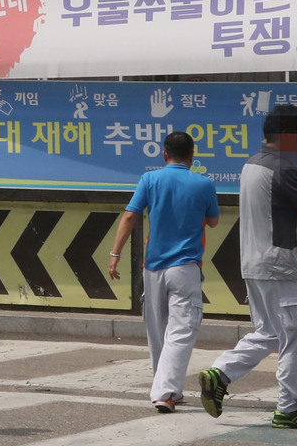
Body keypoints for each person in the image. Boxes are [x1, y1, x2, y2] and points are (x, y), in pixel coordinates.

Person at [198, 104, 297, 430]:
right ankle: (289, 409)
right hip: (279, 267)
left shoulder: (252, 164)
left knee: (270, 332)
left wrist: (293, 245)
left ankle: (221, 373)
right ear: (287, 135)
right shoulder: (283, 168)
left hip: (256, 263)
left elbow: (265, 216)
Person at [108, 131, 219, 413]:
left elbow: (130, 215)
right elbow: (214, 222)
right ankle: (165, 392)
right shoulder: (204, 184)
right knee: (181, 331)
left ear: (164, 154)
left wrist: (115, 254)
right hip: (185, 267)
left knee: (158, 332)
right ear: (192, 157)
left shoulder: (149, 179)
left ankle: (168, 389)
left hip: (153, 267)